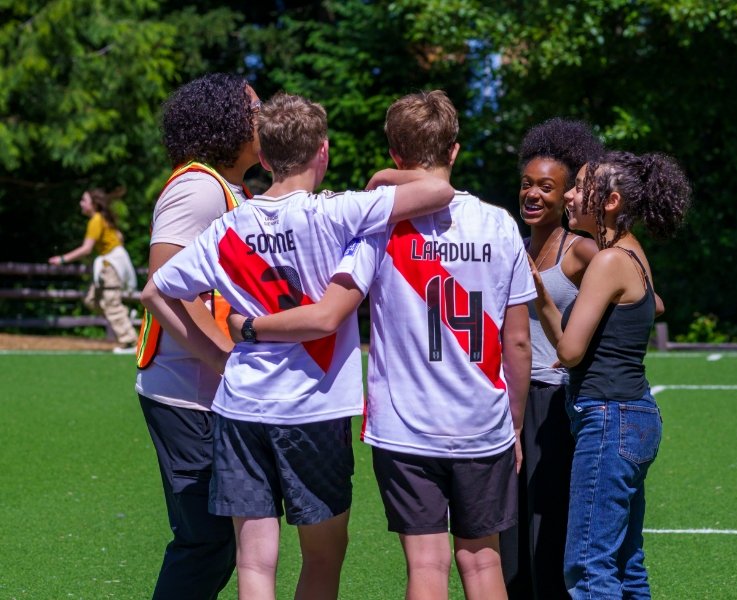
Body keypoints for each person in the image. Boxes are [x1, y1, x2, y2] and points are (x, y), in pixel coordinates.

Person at [140, 91, 455, 600]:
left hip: (241, 407)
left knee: (255, 564)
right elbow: (438, 190)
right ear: (323, 152)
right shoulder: (339, 212)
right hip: (314, 408)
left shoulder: (227, 225)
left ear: (263, 157)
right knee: (323, 556)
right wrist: (380, 180)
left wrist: (222, 356)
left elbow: (157, 291)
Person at [226, 90, 536, 600]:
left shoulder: (379, 224)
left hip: (405, 424)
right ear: (454, 150)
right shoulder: (500, 224)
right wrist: (516, 423)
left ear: (394, 154)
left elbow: (331, 302)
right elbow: (518, 340)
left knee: (428, 568)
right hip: (483, 419)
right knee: (483, 565)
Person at [531, 151, 691, 598]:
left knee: (588, 564)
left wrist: (540, 296)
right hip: (633, 416)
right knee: (625, 562)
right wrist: (544, 297)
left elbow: (570, 350)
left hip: (608, 418)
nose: (569, 194)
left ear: (611, 201)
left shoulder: (606, 261)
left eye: (580, 187)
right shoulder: (631, 252)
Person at [135, 72, 261, 600]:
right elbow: (162, 286)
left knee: (220, 538)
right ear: (229, 123)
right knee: (206, 539)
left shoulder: (231, 189)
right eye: (258, 110)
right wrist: (228, 360)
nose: (268, 118)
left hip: (206, 393)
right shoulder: (199, 187)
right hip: (183, 391)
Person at [499, 119, 603, 599]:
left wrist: (578, 336)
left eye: (546, 187)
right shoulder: (513, 248)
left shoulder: (580, 250)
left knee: (547, 528)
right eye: (526, 185)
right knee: (508, 533)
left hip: (554, 404)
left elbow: (647, 299)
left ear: (567, 197)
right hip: (508, 401)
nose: (533, 195)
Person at [48, 187, 138, 352]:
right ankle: (124, 317)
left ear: (93, 204)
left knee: (111, 303)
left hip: (111, 266)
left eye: (84, 200)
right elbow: (119, 237)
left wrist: (62, 259)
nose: (81, 204)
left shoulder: (96, 220)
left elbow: (86, 249)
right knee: (92, 299)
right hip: (109, 264)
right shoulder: (102, 219)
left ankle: (131, 341)